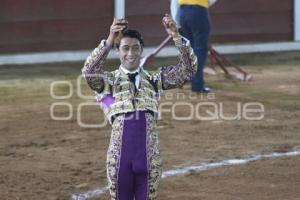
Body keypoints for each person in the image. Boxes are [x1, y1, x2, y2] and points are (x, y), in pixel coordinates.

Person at [82, 14, 197, 200]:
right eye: (125, 48)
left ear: (142, 50)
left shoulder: (154, 80)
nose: (130, 53)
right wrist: (111, 38)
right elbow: (89, 72)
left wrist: (176, 36)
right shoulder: (108, 82)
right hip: (119, 160)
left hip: (149, 159)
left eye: (136, 48)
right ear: (118, 51)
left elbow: (188, 70)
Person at [177, 0, 213, 92]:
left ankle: (188, 78)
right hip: (198, 10)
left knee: (190, 48)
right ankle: (197, 84)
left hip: (182, 11)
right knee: (200, 49)